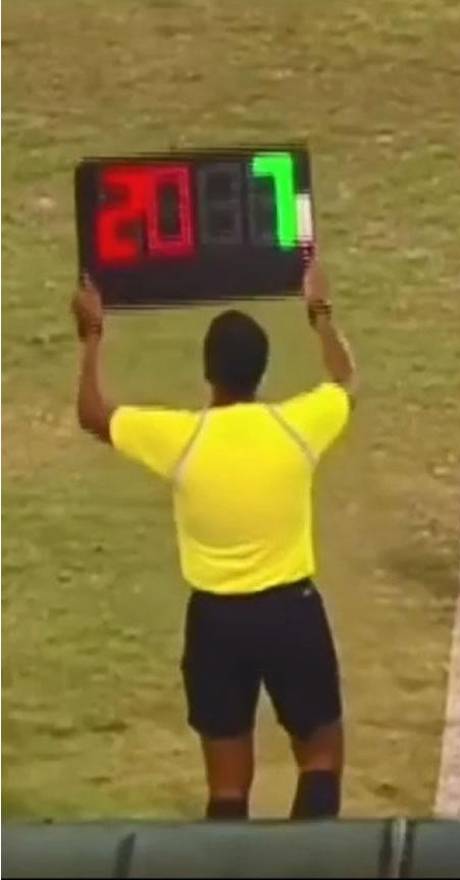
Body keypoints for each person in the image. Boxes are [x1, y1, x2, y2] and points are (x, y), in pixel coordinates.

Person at [70, 260, 356, 821]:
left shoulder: (183, 440)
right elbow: (345, 380)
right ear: (262, 370)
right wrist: (319, 312)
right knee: (320, 757)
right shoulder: (297, 426)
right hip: (291, 615)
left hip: (215, 626)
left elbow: (92, 415)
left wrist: (93, 335)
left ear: (209, 371)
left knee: (227, 788)